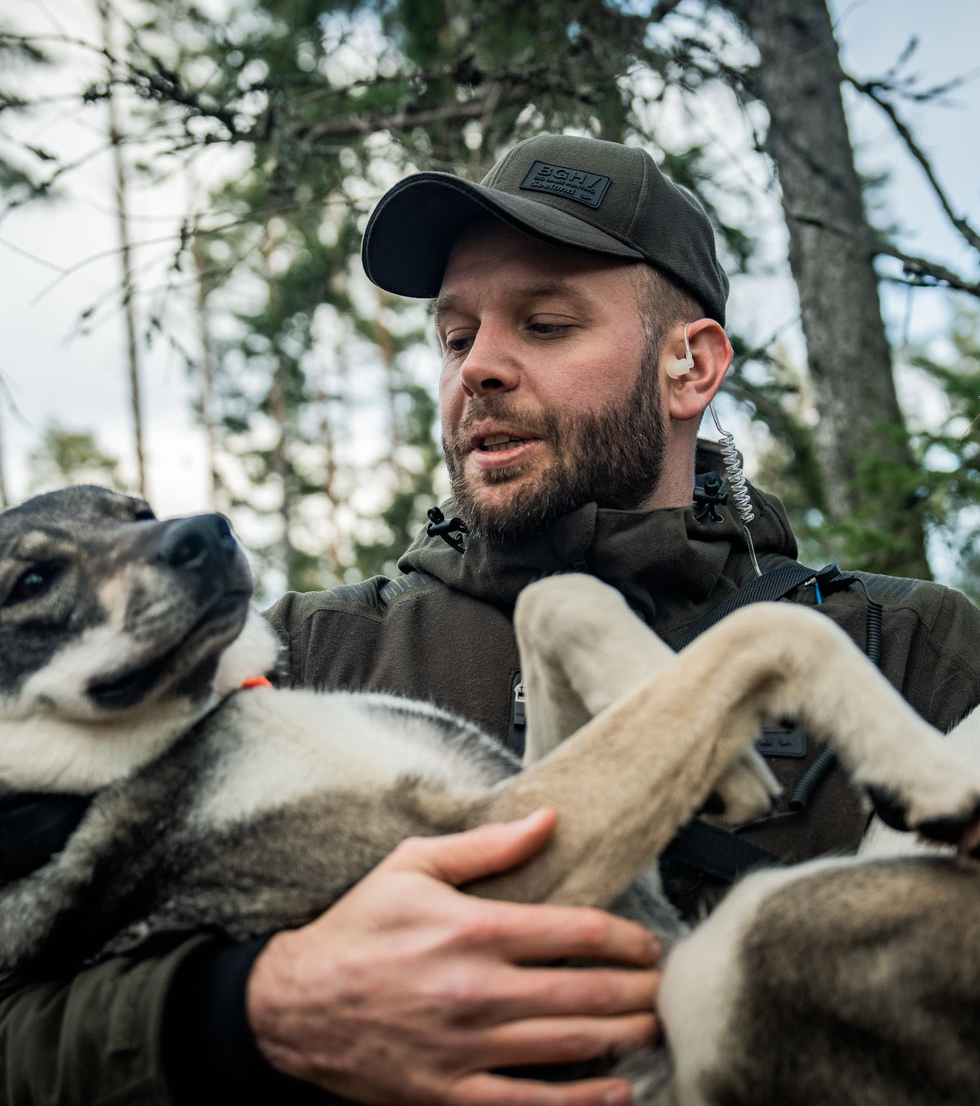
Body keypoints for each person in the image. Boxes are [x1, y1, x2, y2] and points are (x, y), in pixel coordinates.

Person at [3, 134, 980, 1106]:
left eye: (545, 325)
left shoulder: (911, 647)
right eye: (457, 336)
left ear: (690, 367)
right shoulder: (294, 657)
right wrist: (243, 1009)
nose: (479, 369)